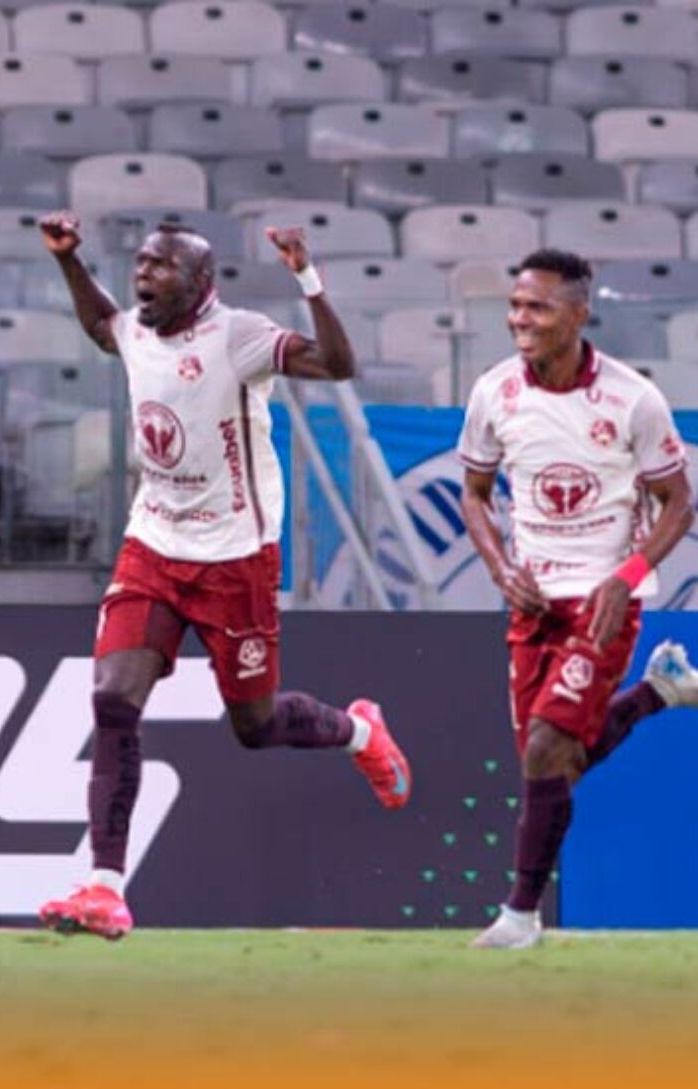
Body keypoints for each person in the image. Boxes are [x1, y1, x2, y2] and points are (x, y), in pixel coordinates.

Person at [35, 212, 412, 941]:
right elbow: (101, 327)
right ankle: (105, 888)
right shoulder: (138, 330)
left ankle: (358, 732)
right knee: (114, 698)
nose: (145, 275)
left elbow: (337, 365)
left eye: (162, 266)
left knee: (255, 724)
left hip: (235, 556)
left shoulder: (237, 336)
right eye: (142, 263)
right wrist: (69, 261)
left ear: (202, 284)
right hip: (153, 544)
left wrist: (307, 277)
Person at [458, 248, 698, 950]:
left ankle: (520, 917)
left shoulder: (633, 398)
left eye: (538, 308)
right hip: (532, 601)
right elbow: (475, 494)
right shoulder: (494, 392)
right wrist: (498, 566)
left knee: (548, 750)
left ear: (579, 315)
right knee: (551, 763)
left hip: (606, 598)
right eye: (516, 306)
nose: (521, 320)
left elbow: (678, 505)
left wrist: (628, 573)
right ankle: (659, 694)